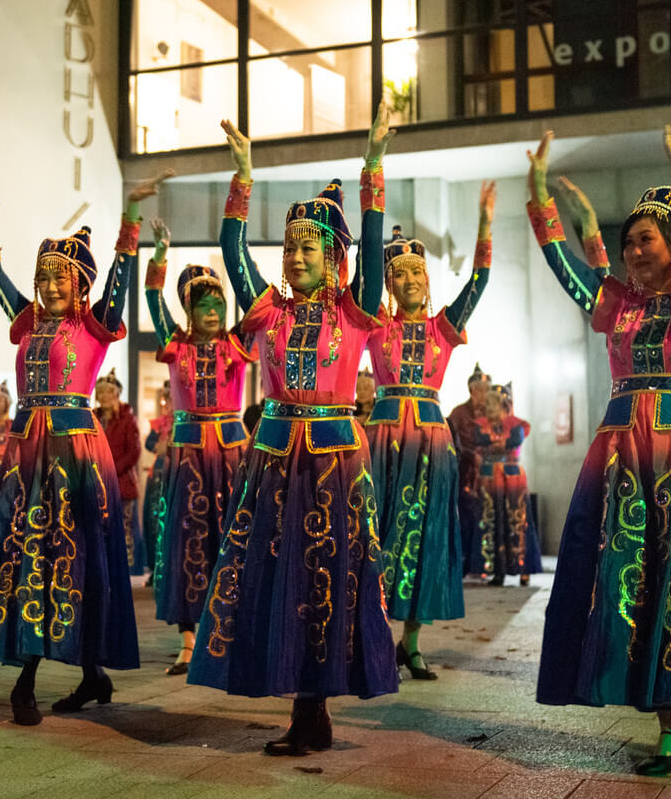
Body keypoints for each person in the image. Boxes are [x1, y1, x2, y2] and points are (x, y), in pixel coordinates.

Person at [526, 108, 671, 775]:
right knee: (631, 586)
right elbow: (562, 267)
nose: (632, 250)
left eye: (646, 240)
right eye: (627, 240)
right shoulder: (618, 307)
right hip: (623, 464)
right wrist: (539, 194)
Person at [188, 103, 398, 756]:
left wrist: (372, 168)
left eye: (310, 245)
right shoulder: (266, 310)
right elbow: (230, 249)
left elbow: (370, 240)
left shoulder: (357, 309)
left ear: (335, 257)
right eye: (290, 245)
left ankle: (316, 705)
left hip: (335, 461)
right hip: (275, 461)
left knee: (328, 576)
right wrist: (242, 177)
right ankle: (296, 701)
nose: (296, 254)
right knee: (277, 577)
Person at [0, 165, 170, 726]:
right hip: (27, 453)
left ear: (81, 284)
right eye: (44, 276)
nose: (51, 286)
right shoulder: (26, 322)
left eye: (62, 277)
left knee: (79, 558)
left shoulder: (96, 325)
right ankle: (47, 672)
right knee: (24, 553)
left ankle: (69, 672)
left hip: (77, 454)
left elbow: (121, 276)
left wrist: (129, 217)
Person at [365, 183, 494, 681]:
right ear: (389, 284)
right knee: (377, 532)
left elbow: (479, 282)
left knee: (424, 537)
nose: (410, 279)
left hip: (432, 441)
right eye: (399, 274)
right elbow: (366, 277)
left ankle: (411, 642)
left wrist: (484, 224)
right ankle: (374, 634)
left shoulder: (444, 327)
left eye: (417, 271)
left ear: (427, 278)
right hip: (380, 441)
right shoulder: (375, 325)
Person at [144, 219, 256, 676]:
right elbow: (153, 301)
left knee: (233, 539)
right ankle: (188, 639)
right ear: (189, 311)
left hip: (231, 452)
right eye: (203, 304)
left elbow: (255, 299)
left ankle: (233, 629)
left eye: (218, 303)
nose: (213, 311)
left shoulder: (239, 341)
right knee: (187, 541)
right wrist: (158, 255)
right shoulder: (176, 345)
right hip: (188, 455)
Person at [466, 382, 541, 586]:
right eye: (487, 406)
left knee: (517, 521)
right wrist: (497, 446)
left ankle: (524, 569)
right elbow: (480, 441)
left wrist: (495, 446)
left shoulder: (516, 425)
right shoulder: (480, 425)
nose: (489, 410)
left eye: (494, 405)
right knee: (493, 521)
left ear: (505, 406)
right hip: (490, 479)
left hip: (512, 478)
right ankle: (497, 571)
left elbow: (513, 441)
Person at [94, 369, 145, 576]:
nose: (105, 396)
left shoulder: (126, 419)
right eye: (101, 392)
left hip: (121, 482)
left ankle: (130, 571)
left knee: (125, 529)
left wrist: (111, 470)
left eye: (109, 392)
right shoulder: (94, 418)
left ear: (116, 394)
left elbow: (134, 452)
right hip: (97, 482)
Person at [447, 363, 491, 575]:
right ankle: (464, 564)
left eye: (488, 389)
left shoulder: (494, 413)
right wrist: (469, 455)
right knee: (466, 517)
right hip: (466, 473)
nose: (486, 394)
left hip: (490, 474)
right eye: (482, 389)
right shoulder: (459, 413)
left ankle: (485, 563)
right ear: (473, 390)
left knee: (488, 516)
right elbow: (452, 443)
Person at [141, 381, 172, 581]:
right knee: (153, 521)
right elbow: (149, 442)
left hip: (173, 472)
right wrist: (159, 447)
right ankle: (155, 568)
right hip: (158, 475)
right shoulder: (160, 423)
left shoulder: (182, 421)